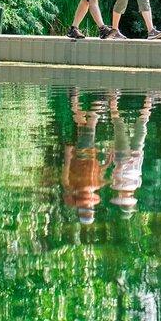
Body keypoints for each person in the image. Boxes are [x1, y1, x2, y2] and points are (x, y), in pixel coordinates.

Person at [61, 89, 112, 225]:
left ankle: (98, 100)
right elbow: (100, 173)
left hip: (85, 153)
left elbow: (100, 173)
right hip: (84, 153)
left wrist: (108, 160)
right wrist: (107, 162)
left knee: (91, 123)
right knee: (82, 124)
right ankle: (75, 98)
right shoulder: (72, 188)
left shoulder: (82, 187)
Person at [108, 91, 156, 218]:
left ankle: (114, 98)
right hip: (130, 156)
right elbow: (127, 169)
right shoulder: (128, 185)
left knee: (131, 127)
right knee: (130, 127)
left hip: (128, 156)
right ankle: (148, 99)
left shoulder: (129, 185)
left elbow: (119, 170)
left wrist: (130, 159)